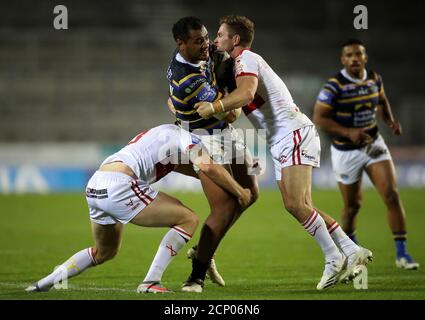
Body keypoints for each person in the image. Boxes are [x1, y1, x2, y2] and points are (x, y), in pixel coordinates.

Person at [195, 15, 372, 290]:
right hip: (282, 139)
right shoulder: (239, 68)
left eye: (220, 34)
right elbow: (236, 110)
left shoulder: (247, 59)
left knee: (295, 205)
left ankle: (332, 258)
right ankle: (351, 250)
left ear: (235, 40)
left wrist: (213, 108)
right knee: (301, 205)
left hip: (293, 133)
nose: (216, 40)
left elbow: (245, 95)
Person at [25, 124, 252, 293]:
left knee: (104, 252)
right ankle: (150, 282)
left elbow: (200, 171)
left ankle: (43, 284)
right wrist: (240, 191)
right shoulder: (184, 137)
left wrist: (224, 181)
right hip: (119, 186)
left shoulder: (163, 139)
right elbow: (206, 166)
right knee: (188, 219)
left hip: (96, 185)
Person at [167, 16, 259, 292]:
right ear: (180, 44)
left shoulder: (192, 56)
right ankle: (195, 276)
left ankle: (204, 248)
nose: (206, 45)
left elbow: (171, 100)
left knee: (251, 191)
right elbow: (232, 113)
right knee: (225, 206)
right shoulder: (190, 80)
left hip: (221, 132)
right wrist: (234, 91)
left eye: (206, 37)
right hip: (202, 139)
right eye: (198, 41)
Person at [313, 39, 419, 270]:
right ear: (343, 60)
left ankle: (402, 254)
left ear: (365, 57)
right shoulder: (334, 86)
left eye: (358, 54)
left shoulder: (374, 78)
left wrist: (389, 120)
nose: (354, 59)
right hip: (345, 150)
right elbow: (319, 118)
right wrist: (347, 131)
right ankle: (353, 251)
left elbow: (381, 99)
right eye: (349, 55)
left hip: (373, 144)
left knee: (391, 195)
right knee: (353, 206)